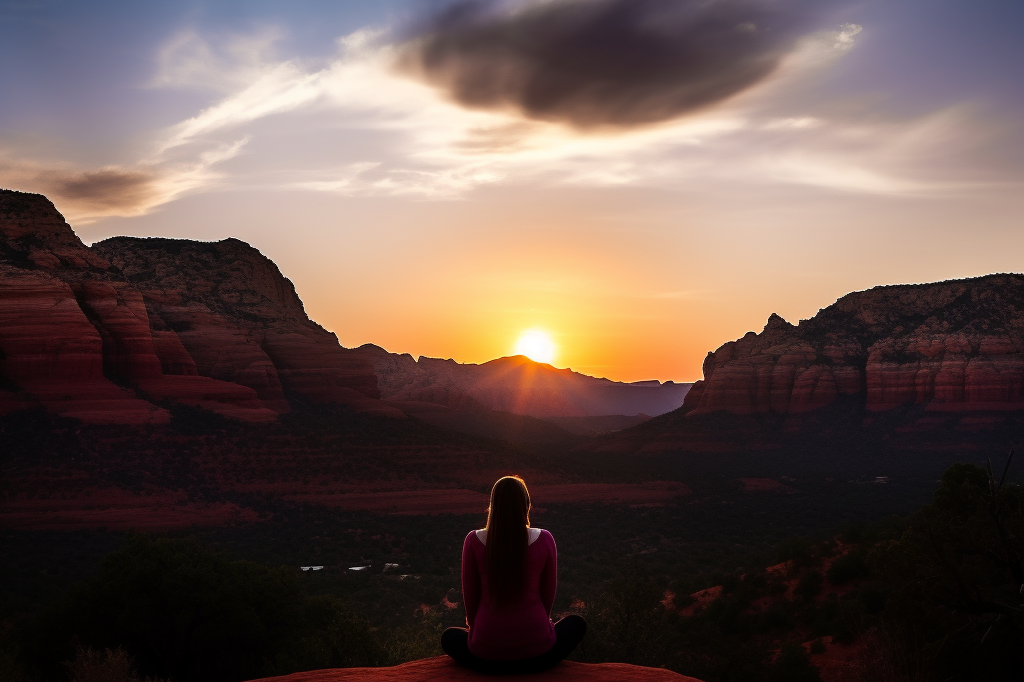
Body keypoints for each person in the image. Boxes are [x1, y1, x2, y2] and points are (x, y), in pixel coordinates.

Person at [441, 475, 587, 674]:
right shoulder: (544, 539)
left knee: (449, 637)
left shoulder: (473, 541)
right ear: (526, 504)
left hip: (487, 653)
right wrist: (543, 626)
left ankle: (495, 665)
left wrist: (476, 631)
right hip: (538, 651)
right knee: (576, 623)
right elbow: (548, 596)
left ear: (493, 506)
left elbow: (471, 598)